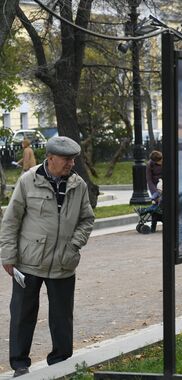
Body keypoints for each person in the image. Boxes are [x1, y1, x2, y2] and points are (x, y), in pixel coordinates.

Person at [0, 136, 95, 377]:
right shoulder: (28, 181)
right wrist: (8, 255)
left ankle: (61, 361)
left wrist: (74, 245)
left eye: (73, 159)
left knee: (62, 315)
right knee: (22, 314)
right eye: (66, 159)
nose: (71, 164)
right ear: (50, 158)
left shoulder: (78, 184)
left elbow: (87, 219)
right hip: (28, 261)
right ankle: (20, 365)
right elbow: (11, 221)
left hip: (64, 261)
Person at [145, 150, 162, 232]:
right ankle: (153, 226)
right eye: (159, 161)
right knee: (156, 203)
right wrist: (155, 193)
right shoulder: (149, 165)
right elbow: (149, 180)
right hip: (155, 186)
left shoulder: (163, 161)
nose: (161, 162)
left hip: (163, 185)